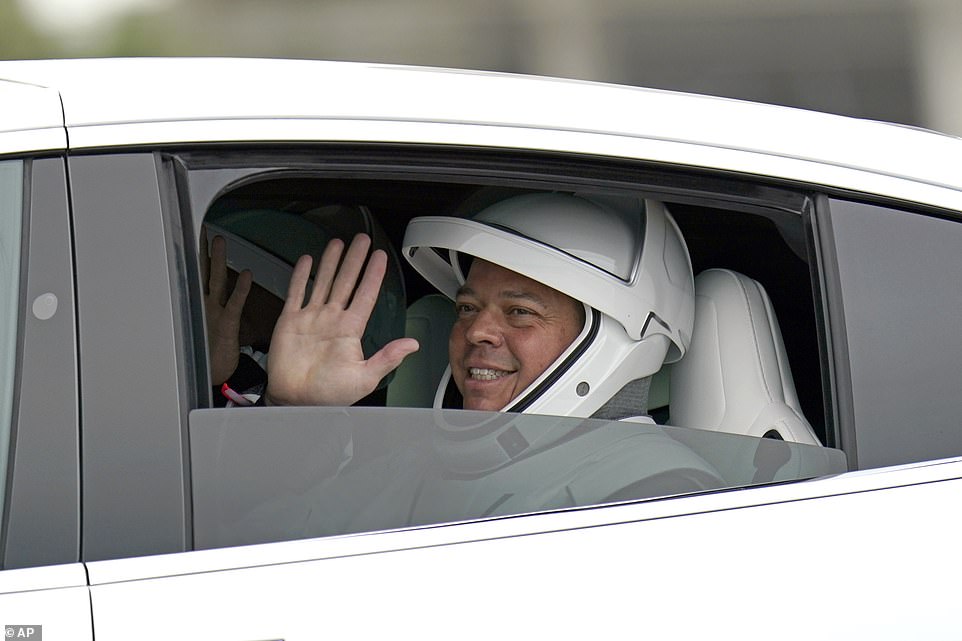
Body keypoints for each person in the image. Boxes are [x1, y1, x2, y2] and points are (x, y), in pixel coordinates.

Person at [250, 192, 695, 423]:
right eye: (466, 308)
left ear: (614, 341)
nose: (476, 331)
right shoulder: (417, 466)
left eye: (519, 311)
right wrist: (289, 408)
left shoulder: (659, 500)